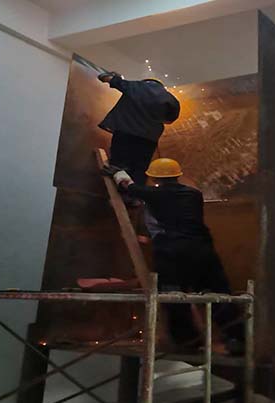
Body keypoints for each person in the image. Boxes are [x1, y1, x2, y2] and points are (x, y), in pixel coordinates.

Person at [106, 158, 244, 354]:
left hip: (172, 254)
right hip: (202, 251)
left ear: (155, 178)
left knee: (173, 297)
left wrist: (118, 173)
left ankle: (187, 342)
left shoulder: (155, 194)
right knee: (219, 295)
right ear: (177, 175)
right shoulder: (194, 194)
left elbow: (130, 187)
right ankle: (237, 338)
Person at [98, 72, 180, 186]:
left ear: (145, 82)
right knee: (140, 168)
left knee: (119, 164)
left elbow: (105, 78)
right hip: (149, 138)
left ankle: (120, 185)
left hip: (125, 132)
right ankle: (137, 192)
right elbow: (170, 120)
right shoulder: (170, 99)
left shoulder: (135, 86)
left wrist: (112, 76)